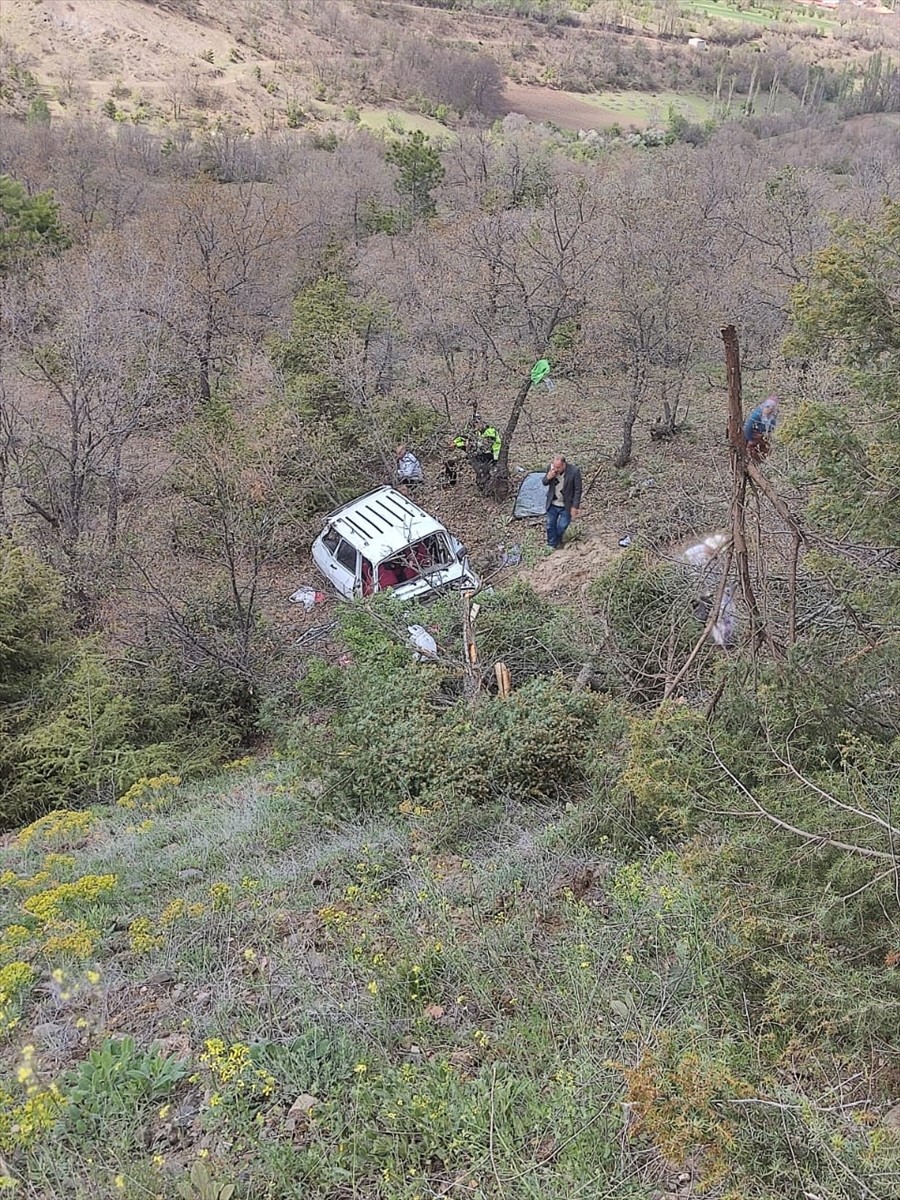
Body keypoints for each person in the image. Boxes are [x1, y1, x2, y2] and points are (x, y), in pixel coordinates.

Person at [542, 454, 582, 550]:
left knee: (562, 526)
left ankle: (558, 539)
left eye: (558, 467)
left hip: (566, 504)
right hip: (552, 503)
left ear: (564, 464)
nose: (556, 469)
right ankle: (551, 545)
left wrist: (575, 506)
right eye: (554, 466)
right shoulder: (550, 469)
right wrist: (548, 477)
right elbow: (544, 482)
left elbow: (578, 490)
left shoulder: (574, 472)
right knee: (550, 525)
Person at [743, 396, 779, 461]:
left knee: (766, 448)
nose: (769, 409)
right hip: (754, 434)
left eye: (771, 408)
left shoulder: (773, 416)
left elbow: (772, 426)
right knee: (751, 448)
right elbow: (748, 427)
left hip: (764, 434)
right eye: (767, 407)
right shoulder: (756, 415)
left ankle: (763, 460)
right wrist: (749, 439)